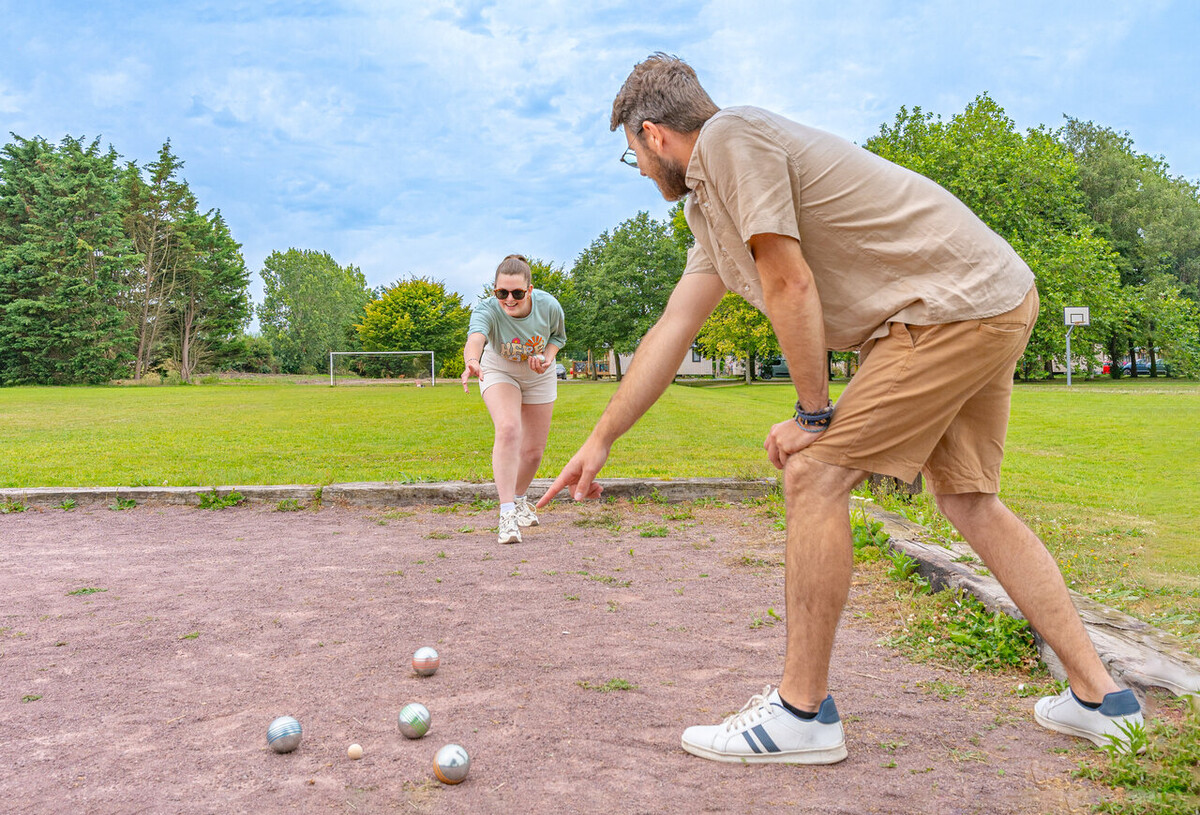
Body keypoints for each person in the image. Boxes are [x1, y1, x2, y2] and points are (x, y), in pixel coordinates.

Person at [539, 54, 1143, 764]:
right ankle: (1105, 698)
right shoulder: (713, 204)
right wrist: (602, 437)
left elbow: (789, 281)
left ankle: (802, 713)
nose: (638, 169)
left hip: (944, 311)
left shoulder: (732, 140)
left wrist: (813, 414)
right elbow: (674, 327)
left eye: (631, 154)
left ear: (654, 134)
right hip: (988, 294)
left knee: (814, 475)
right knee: (970, 501)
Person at [463, 254, 566, 545]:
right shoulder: (487, 309)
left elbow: (558, 337)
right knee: (508, 429)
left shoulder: (548, 306)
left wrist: (546, 360)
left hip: (538, 374)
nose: (509, 299)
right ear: (494, 290)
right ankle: (506, 512)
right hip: (498, 369)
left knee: (533, 452)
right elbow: (476, 338)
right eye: (501, 292)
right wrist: (472, 360)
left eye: (517, 293)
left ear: (529, 290)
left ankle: (519, 499)